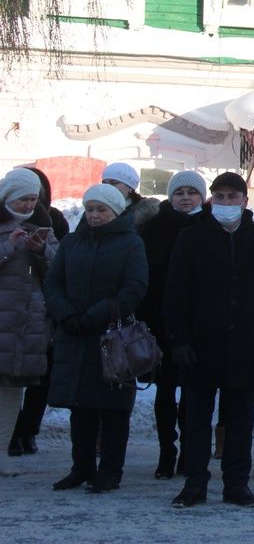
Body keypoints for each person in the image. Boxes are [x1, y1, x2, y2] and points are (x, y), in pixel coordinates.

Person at [166, 172, 254, 508]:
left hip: (247, 346)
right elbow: (176, 294)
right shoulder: (191, 238)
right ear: (211, 201)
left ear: (246, 202)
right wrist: (180, 341)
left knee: (240, 421)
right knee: (196, 420)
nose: (227, 203)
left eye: (233, 197)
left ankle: (236, 483)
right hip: (201, 345)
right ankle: (194, 483)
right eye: (220, 197)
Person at [43, 183, 147, 493]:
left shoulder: (131, 243)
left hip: (112, 338)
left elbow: (135, 287)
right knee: (81, 407)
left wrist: (95, 315)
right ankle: (82, 467)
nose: (94, 215)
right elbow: (53, 283)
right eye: (90, 209)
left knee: (113, 409)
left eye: (101, 209)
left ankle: (110, 471)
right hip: (75, 335)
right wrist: (66, 314)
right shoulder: (73, 242)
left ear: (115, 212)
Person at [136, 170, 207, 479]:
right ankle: (167, 452)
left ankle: (189, 454)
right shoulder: (152, 228)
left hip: (200, 325)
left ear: (202, 197)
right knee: (165, 393)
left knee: (193, 393)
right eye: (180, 192)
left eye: (193, 192)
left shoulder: (211, 227)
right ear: (171, 196)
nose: (186, 197)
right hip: (159, 321)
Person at [0, 168, 57, 475]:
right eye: (23, 199)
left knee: (11, 393)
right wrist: (9, 246)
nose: (27, 205)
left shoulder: (43, 226)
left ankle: (1, 453)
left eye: (33, 199)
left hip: (23, 324)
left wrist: (41, 250)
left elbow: (58, 270)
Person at [100, 162, 160, 230]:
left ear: (130, 187)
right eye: (104, 183)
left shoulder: (148, 215)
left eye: (114, 183)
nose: (107, 187)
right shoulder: (94, 209)